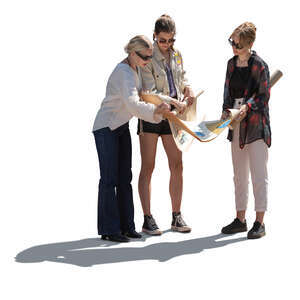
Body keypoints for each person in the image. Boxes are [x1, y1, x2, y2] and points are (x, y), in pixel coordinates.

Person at [93, 35, 170, 243]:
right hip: (106, 127)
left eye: (149, 56)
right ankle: (109, 229)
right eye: (145, 57)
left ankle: (127, 226)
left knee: (125, 177)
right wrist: (157, 111)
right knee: (109, 179)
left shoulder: (135, 69)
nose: (147, 60)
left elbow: (147, 94)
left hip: (120, 126)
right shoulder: (123, 72)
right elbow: (134, 105)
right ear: (132, 53)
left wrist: (171, 104)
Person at [138, 15, 195, 235]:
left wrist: (188, 89)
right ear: (155, 36)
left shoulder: (177, 54)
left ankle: (176, 216)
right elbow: (150, 92)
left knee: (177, 165)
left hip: (173, 116)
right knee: (148, 167)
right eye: (163, 40)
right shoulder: (148, 56)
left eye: (171, 40)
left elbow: (182, 78)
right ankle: (147, 218)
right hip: (153, 115)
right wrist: (174, 103)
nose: (167, 45)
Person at [221, 22, 271, 239]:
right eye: (232, 42)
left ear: (250, 44)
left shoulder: (260, 65)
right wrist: (226, 111)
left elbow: (263, 96)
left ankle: (259, 222)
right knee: (239, 175)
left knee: (259, 174)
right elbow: (226, 92)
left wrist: (246, 108)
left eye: (238, 45)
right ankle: (240, 219)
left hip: (256, 126)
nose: (234, 47)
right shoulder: (231, 64)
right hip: (236, 123)